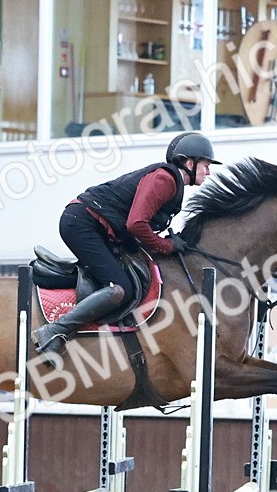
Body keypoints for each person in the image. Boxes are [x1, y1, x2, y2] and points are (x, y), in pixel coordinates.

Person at [31, 131, 220, 358]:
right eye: (206, 165)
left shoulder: (171, 182)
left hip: (91, 223)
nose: (208, 172)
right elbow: (136, 224)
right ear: (189, 163)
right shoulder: (165, 180)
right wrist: (166, 246)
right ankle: (54, 330)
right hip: (82, 224)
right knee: (118, 288)